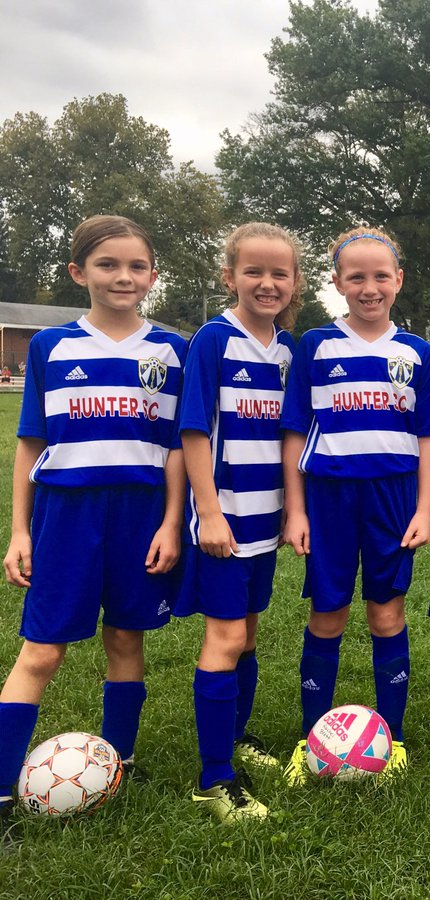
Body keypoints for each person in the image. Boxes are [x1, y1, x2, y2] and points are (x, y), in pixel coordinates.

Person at [0, 215, 187, 838]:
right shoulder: (51, 346)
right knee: (42, 649)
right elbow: (31, 443)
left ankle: (118, 761)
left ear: (152, 276)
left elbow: (177, 447)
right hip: (66, 515)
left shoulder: (173, 351)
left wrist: (171, 523)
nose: (123, 277)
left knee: (126, 638)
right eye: (108, 265)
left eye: (136, 266)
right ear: (79, 273)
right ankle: (1, 788)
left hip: (140, 515)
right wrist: (20, 530)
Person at [279, 227, 430, 783]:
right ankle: (310, 738)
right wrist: (296, 511)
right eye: (357, 277)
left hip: (393, 496)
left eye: (380, 276)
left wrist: (424, 510)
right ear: (338, 282)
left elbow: (427, 439)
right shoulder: (315, 345)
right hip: (329, 497)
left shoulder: (417, 352)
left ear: (399, 280)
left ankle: (391, 740)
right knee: (328, 611)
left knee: (386, 611)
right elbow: (295, 430)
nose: (370, 288)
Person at [175, 222, 301, 822]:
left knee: (248, 634)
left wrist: (289, 510)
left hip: (264, 518)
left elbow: (289, 437)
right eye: (254, 271)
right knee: (224, 639)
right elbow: (193, 430)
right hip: (223, 520)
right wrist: (208, 512)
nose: (267, 283)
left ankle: (235, 736)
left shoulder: (287, 350)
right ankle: (215, 777)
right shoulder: (214, 340)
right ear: (230, 277)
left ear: (295, 282)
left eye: (279, 273)